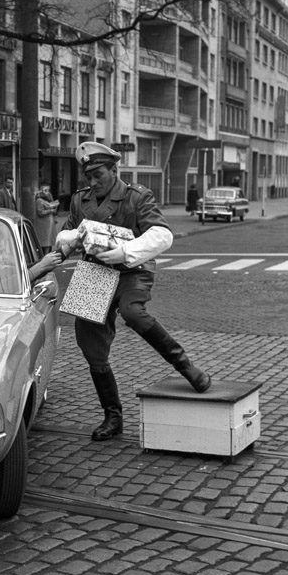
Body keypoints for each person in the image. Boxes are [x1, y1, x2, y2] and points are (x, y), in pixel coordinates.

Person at [57, 141, 211, 442]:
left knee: (133, 312)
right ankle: (112, 416)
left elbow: (162, 234)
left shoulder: (137, 197)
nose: (93, 182)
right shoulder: (80, 201)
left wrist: (126, 250)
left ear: (115, 170)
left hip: (131, 270)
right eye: (88, 177)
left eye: (98, 174)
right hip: (93, 272)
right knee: (89, 343)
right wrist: (72, 238)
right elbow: (64, 233)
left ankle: (187, 367)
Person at [35, 181, 59, 253]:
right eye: (45, 190)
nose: (47, 192)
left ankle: (47, 254)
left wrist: (54, 208)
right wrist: (50, 211)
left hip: (49, 222)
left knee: (49, 241)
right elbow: (40, 212)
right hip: (43, 224)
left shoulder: (48, 196)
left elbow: (51, 203)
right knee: (45, 241)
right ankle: (45, 255)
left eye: (48, 190)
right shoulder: (39, 199)